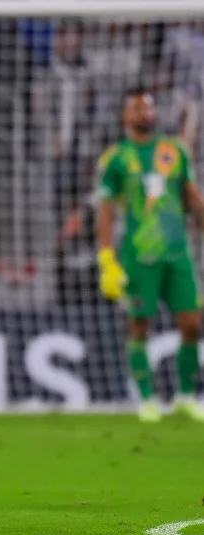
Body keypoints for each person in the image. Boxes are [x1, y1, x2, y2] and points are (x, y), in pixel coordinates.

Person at [95, 86, 204, 423]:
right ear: (125, 116)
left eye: (149, 108)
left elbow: (193, 199)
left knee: (192, 324)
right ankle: (146, 399)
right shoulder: (115, 159)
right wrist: (106, 258)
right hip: (139, 255)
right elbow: (106, 211)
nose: (145, 113)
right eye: (137, 108)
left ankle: (186, 396)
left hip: (177, 254)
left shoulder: (174, 151)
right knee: (139, 324)